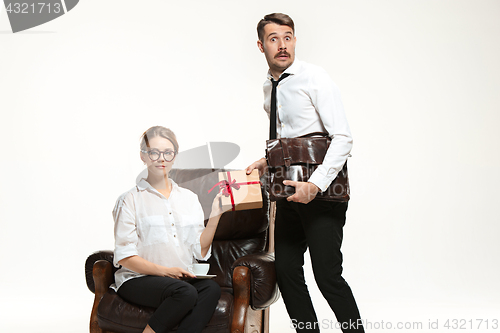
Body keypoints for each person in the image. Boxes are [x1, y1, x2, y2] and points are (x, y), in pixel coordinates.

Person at [246, 13, 364, 333]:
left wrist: (315, 185)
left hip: (321, 194)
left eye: (287, 37)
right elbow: (292, 140)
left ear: (295, 40)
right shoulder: (268, 87)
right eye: (274, 39)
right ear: (261, 45)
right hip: (287, 192)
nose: (282, 45)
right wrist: (266, 161)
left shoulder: (315, 77)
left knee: (327, 276)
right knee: (286, 272)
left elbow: (342, 138)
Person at [111, 126, 225, 333]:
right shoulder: (130, 200)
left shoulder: (189, 198)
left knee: (210, 289)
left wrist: (216, 214)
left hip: (178, 279)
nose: (161, 158)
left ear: (175, 157)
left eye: (168, 153)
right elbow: (125, 257)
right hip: (138, 279)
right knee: (185, 293)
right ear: (143, 156)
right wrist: (165, 272)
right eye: (153, 152)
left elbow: (199, 252)